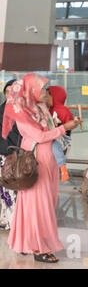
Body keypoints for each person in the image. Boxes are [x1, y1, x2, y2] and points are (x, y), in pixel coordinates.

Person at [2, 73, 80, 263]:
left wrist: (67, 126)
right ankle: (38, 248)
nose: (46, 92)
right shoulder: (23, 113)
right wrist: (64, 128)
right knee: (38, 206)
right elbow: (39, 136)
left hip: (49, 161)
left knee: (44, 203)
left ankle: (28, 242)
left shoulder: (41, 108)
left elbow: (50, 132)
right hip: (36, 162)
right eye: (42, 89)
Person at [0, 79, 21, 231]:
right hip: (4, 154)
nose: (9, 95)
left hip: (17, 155)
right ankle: (7, 221)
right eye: (7, 92)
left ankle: (12, 221)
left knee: (14, 190)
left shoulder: (22, 111)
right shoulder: (2, 110)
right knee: (6, 191)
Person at [46, 86, 74, 182]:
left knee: (54, 144)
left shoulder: (64, 111)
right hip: (54, 136)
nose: (46, 99)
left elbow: (68, 129)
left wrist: (56, 126)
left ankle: (63, 167)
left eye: (47, 96)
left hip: (62, 139)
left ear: (55, 97)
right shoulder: (48, 109)